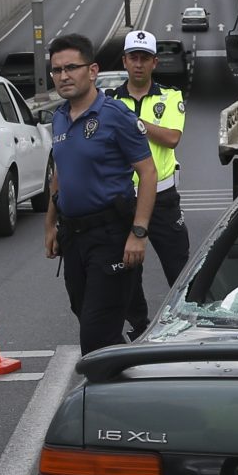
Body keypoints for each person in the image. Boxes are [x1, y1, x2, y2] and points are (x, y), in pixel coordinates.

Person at [40, 33, 157, 354]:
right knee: (87, 317)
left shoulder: (116, 115)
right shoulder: (60, 117)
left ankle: (105, 398)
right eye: (56, 70)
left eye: (71, 68)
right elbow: (60, 174)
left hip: (111, 236)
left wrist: (139, 233)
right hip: (73, 237)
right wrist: (51, 225)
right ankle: (131, 378)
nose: (63, 76)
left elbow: (148, 172)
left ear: (92, 71)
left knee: (96, 334)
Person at [117, 29, 192, 289]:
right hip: (123, 199)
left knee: (179, 268)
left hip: (162, 197)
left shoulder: (170, 96)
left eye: (145, 58)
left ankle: (187, 324)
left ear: (154, 63)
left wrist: (134, 123)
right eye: (134, 58)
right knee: (125, 273)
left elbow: (172, 137)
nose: (139, 64)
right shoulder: (109, 101)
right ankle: (139, 327)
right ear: (124, 61)